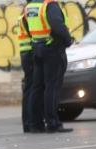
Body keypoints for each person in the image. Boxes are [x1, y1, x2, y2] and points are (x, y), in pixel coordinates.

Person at [26, 0, 73, 133]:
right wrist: (68, 40)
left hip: (37, 48)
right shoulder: (50, 5)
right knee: (52, 87)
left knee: (37, 87)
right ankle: (53, 123)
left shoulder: (31, 6)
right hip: (52, 49)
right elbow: (57, 26)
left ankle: (35, 124)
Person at [18, 10, 42, 133]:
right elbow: (34, 35)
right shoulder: (28, 16)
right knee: (32, 89)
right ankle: (31, 122)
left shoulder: (23, 16)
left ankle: (27, 123)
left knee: (29, 89)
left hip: (25, 53)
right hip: (29, 54)